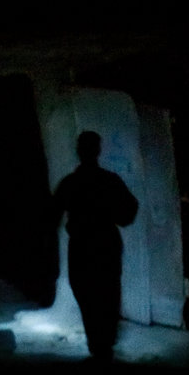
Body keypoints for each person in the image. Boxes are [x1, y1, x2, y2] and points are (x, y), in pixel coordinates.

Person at [49, 131, 138, 361]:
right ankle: (103, 345)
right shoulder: (109, 180)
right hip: (106, 244)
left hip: (82, 247)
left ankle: (98, 345)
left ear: (79, 151)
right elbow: (128, 213)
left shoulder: (71, 182)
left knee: (88, 295)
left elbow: (51, 217)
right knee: (107, 295)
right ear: (98, 151)